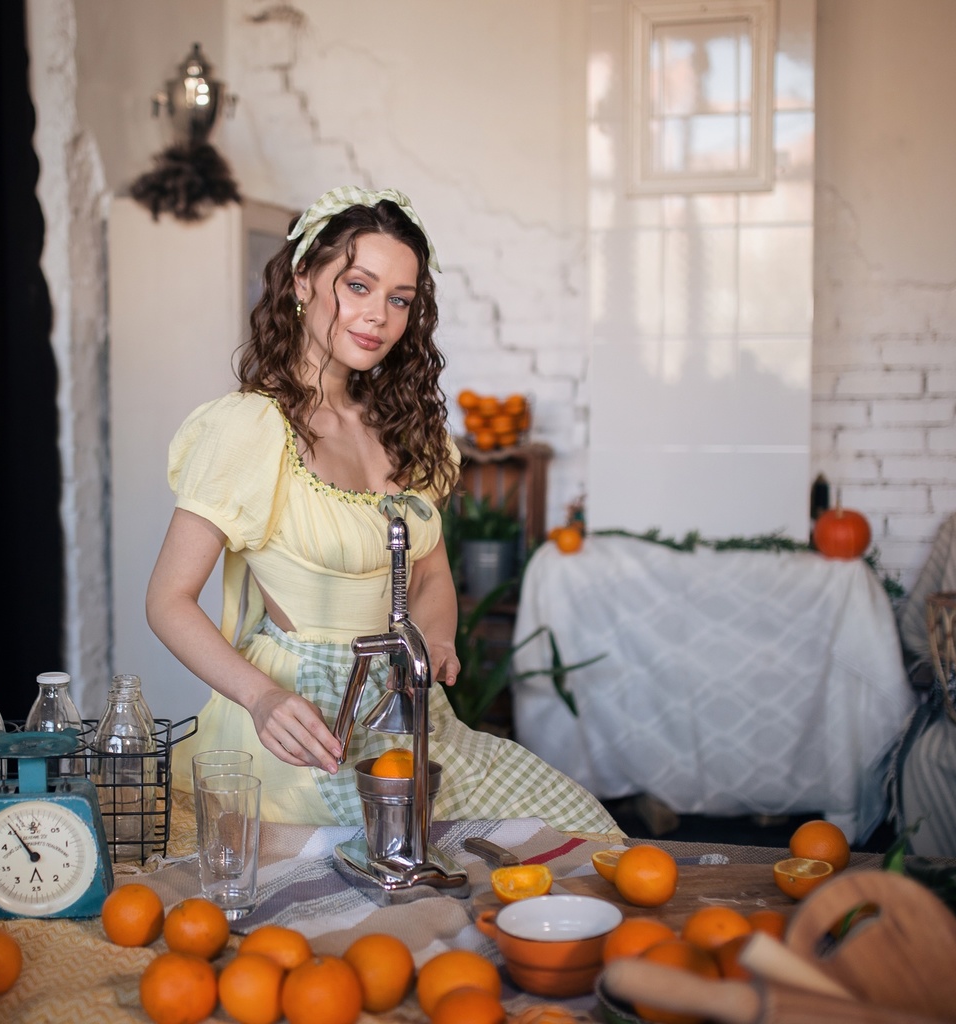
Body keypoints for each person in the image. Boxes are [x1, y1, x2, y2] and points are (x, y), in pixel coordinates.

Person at [146, 185, 617, 834]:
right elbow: (168, 600)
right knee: (401, 878)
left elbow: (429, 575)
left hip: (407, 707)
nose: (379, 316)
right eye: (359, 286)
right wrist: (261, 698)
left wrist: (437, 639)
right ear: (303, 279)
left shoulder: (407, 427)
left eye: (400, 299)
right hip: (306, 720)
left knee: (583, 830)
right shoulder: (250, 430)